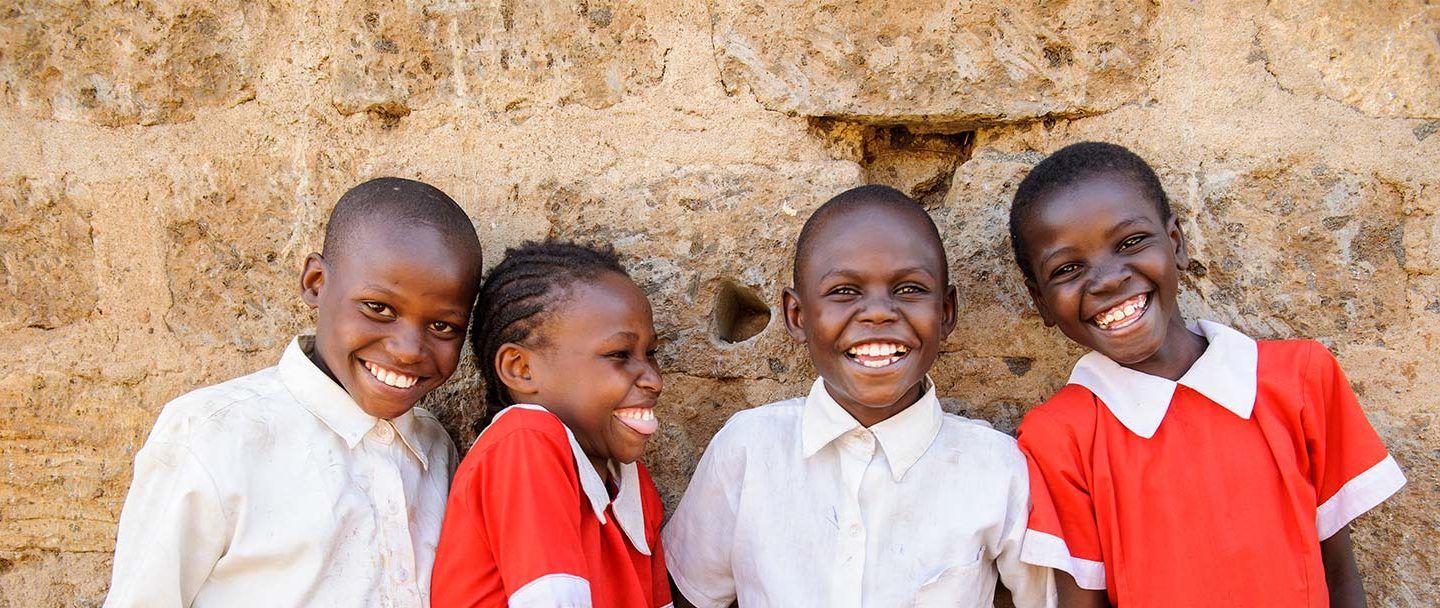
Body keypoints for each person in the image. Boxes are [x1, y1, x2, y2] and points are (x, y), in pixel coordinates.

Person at [1009, 141, 1407, 607]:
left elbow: (1338, 575)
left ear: (1175, 244)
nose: (1109, 280)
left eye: (1131, 242)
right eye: (1069, 268)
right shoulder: (1059, 439)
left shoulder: (1298, 379)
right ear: (1041, 303)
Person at [664, 185, 1055, 608]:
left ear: (945, 313)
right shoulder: (748, 451)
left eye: (909, 289)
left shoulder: (996, 469)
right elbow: (691, 596)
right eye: (844, 291)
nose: (878, 313)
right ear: (797, 317)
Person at [106, 177, 485, 607]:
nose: (406, 350)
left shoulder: (434, 448)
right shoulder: (213, 434)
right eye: (379, 308)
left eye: (442, 326)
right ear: (316, 282)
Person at [430, 241, 672, 608]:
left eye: (650, 354)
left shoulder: (637, 489)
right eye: (619, 354)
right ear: (520, 368)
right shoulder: (525, 442)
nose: (654, 380)